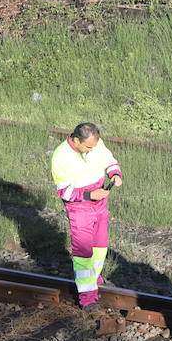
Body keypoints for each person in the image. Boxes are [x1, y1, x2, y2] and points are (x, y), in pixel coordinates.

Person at [50, 122, 122, 309]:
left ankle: (94, 278)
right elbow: (64, 192)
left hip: (100, 202)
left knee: (100, 245)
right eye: (88, 147)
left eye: (94, 146)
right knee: (83, 252)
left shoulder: (95, 144)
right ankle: (88, 299)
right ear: (76, 140)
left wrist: (115, 174)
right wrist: (89, 195)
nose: (92, 150)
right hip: (79, 207)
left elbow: (109, 161)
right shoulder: (60, 156)